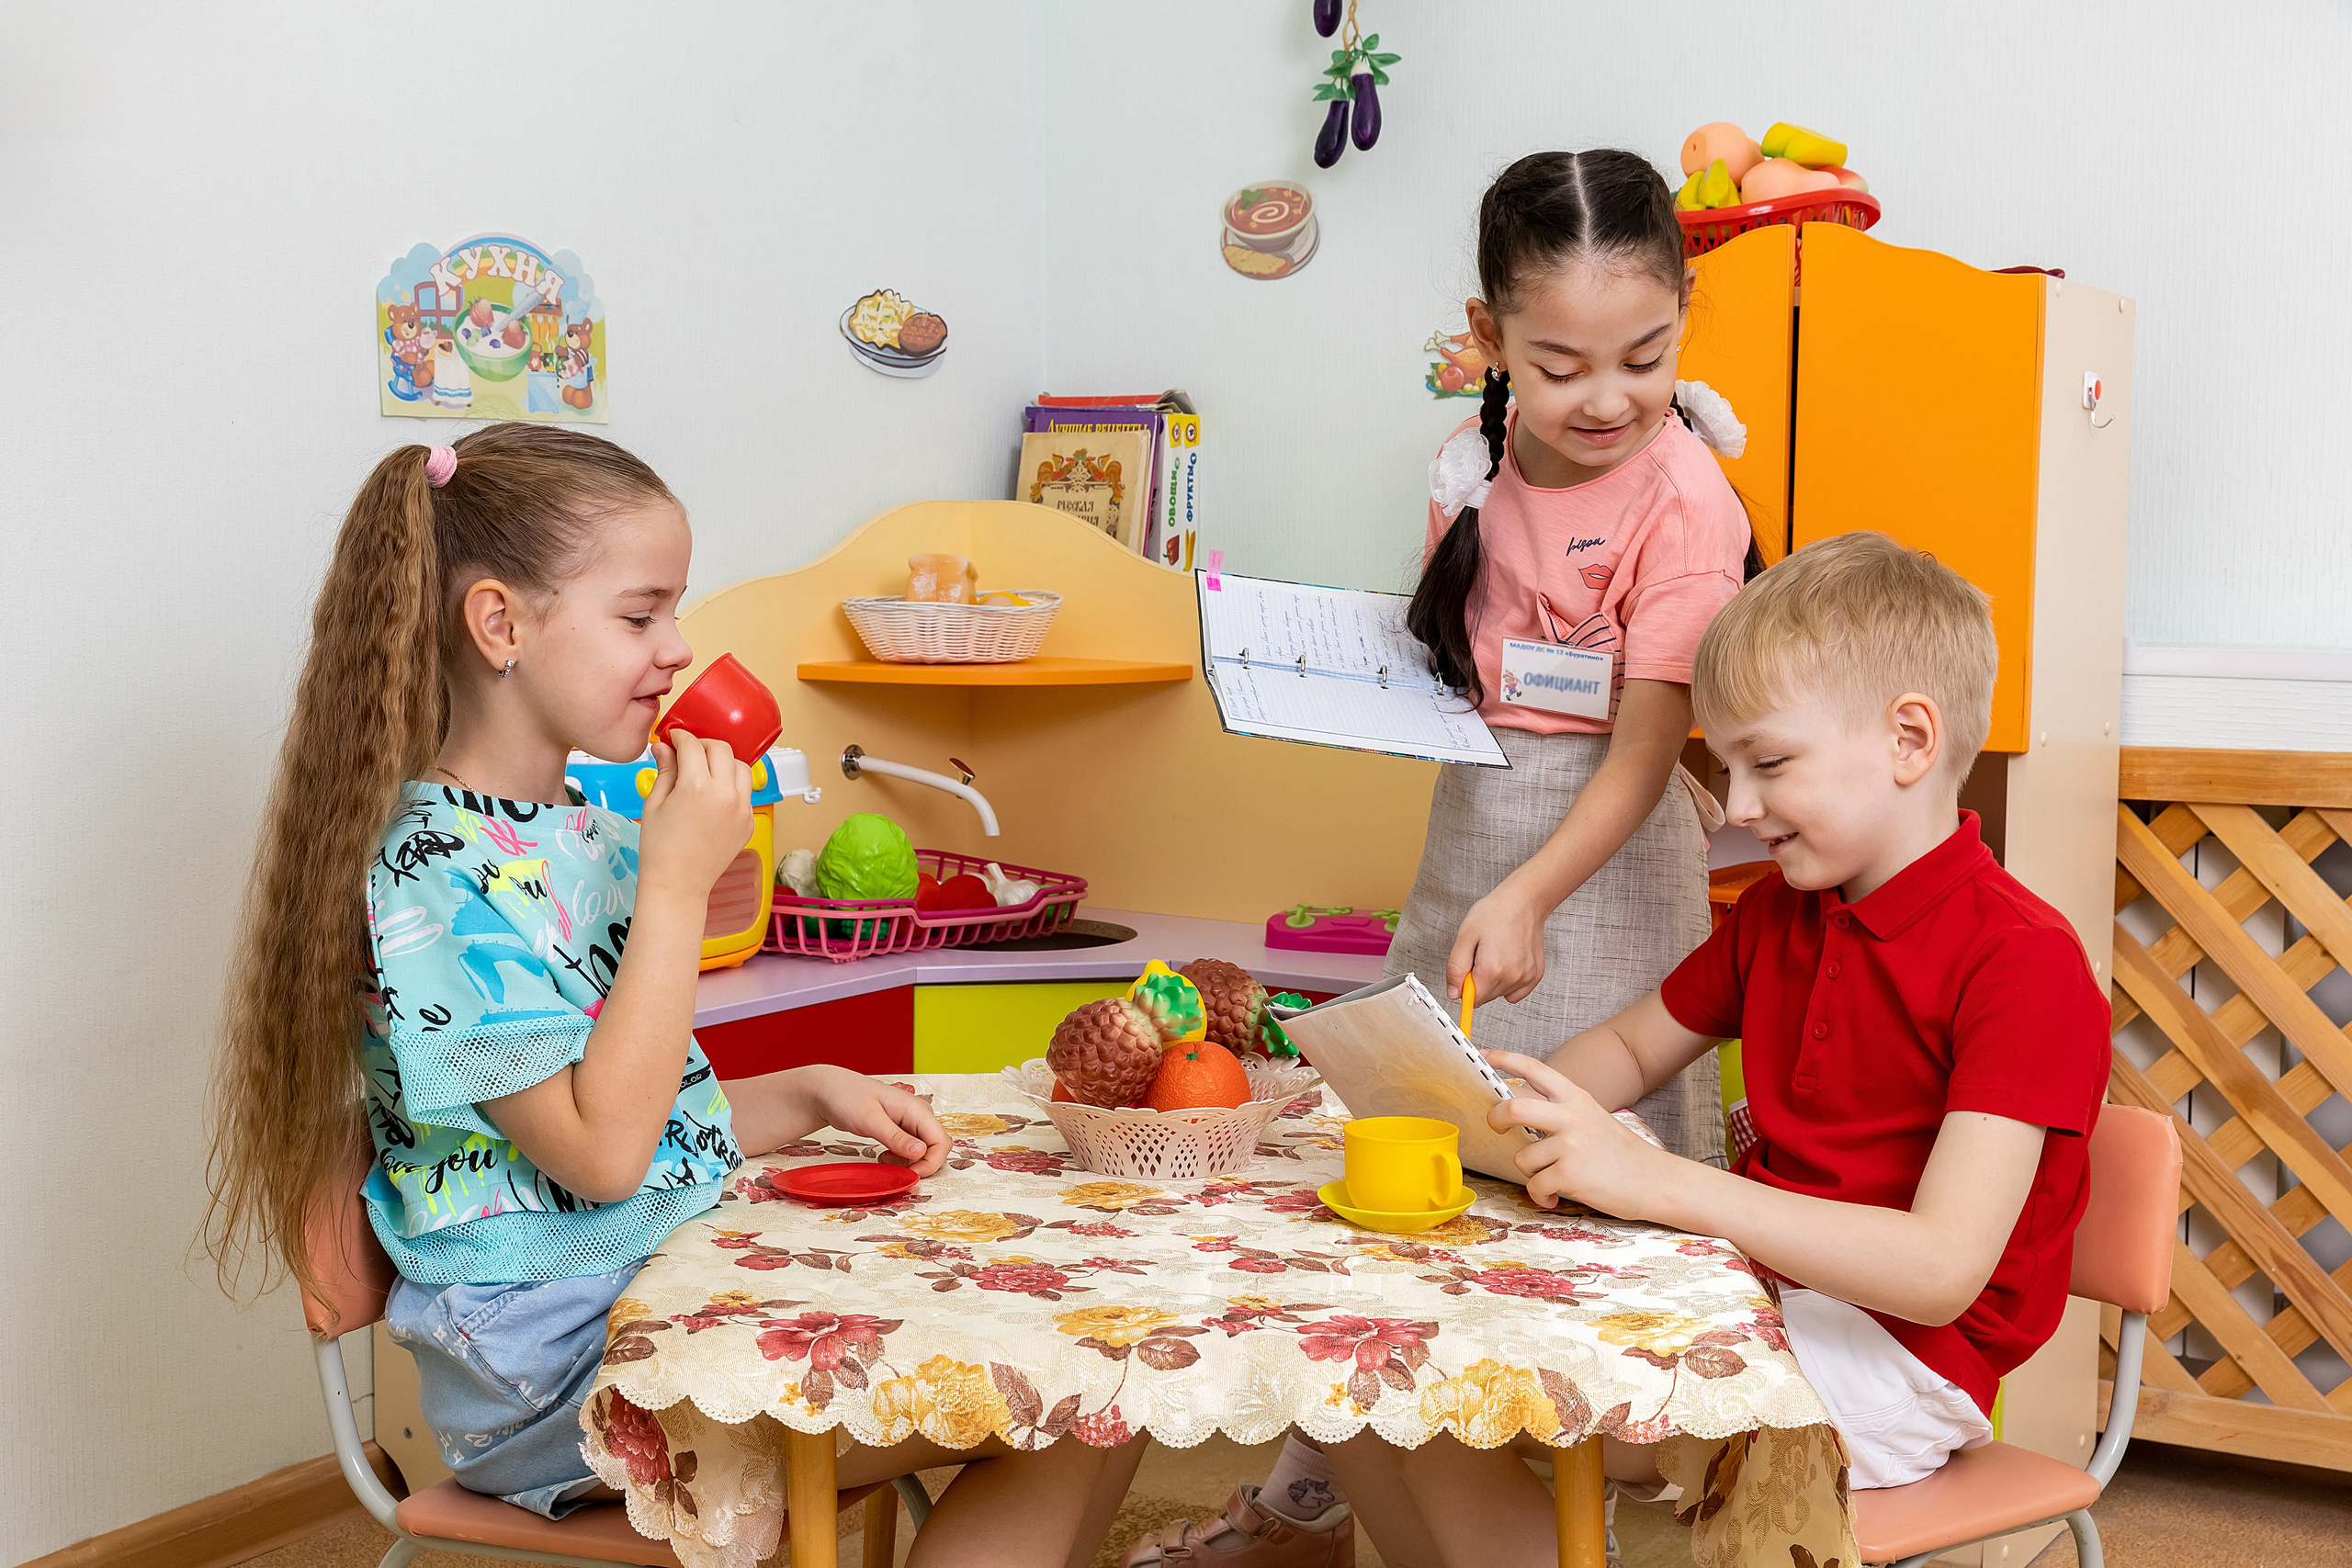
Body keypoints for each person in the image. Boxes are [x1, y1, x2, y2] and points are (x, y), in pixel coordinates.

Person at [206, 424, 1134, 1568]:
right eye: (641, 616)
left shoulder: (584, 829)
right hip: (548, 1375)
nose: (678, 650)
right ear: (500, 625)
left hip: (643, 1295)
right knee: (1062, 1407)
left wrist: (802, 1091)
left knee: (1089, 1367)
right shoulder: (428, 882)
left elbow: (635, 1117)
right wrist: (679, 883)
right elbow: (597, 1160)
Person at [1124, 147, 1753, 1568]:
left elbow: (1647, 750)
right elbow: (1468, 677)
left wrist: (1534, 890)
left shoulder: (1687, 500)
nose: (1607, 399)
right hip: (1475, 834)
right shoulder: (1468, 466)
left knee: (1575, 1181)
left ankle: (1586, 1504)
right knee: (1412, 1165)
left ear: (1684, 319)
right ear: (1487, 342)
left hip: (1604, 867)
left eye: (1644, 358)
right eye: (1562, 362)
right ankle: (1317, 1501)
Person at [1312, 532, 2113, 1567]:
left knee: (1513, 1402)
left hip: (1905, 1358)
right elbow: (1630, 1048)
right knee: (1398, 1382)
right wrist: (1505, 1109)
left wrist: (1652, 1181)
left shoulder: (2023, 963)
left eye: (1768, 763)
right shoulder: (1783, 913)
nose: (1735, 806)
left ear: (1910, 740)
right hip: (1754, 1291)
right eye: (1723, 766)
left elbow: (1937, 1272)